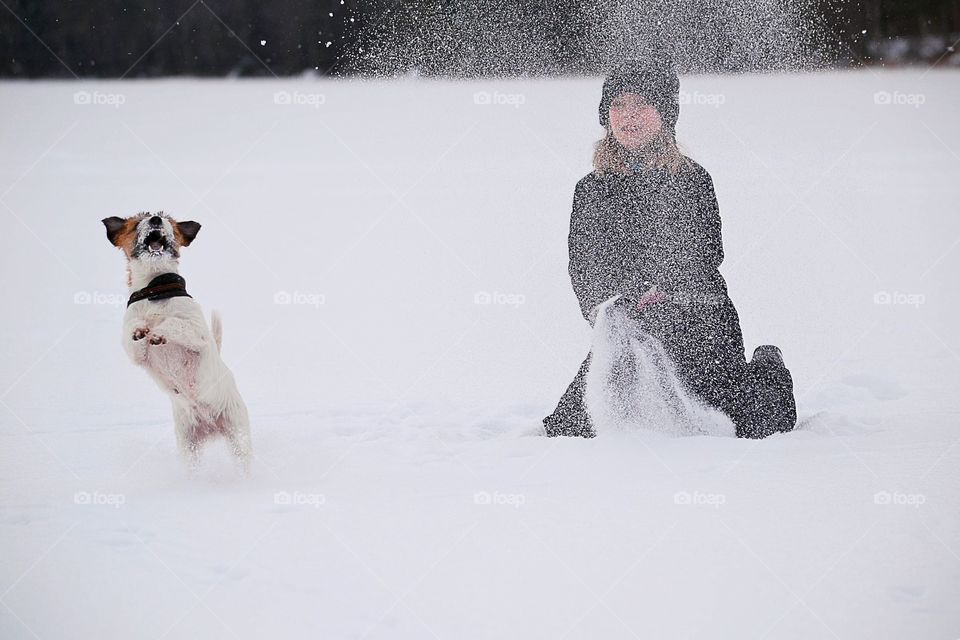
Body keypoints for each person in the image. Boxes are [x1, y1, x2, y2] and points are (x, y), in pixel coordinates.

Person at [543, 58, 797, 439]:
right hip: (626, 325)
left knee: (751, 425)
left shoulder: (692, 180)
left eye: (641, 105)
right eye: (619, 106)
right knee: (569, 429)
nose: (629, 117)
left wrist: (664, 292)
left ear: (665, 115)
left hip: (698, 322)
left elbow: (703, 255)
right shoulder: (591, 188)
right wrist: (611, 306)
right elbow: (584, 263)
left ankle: (766, 366)